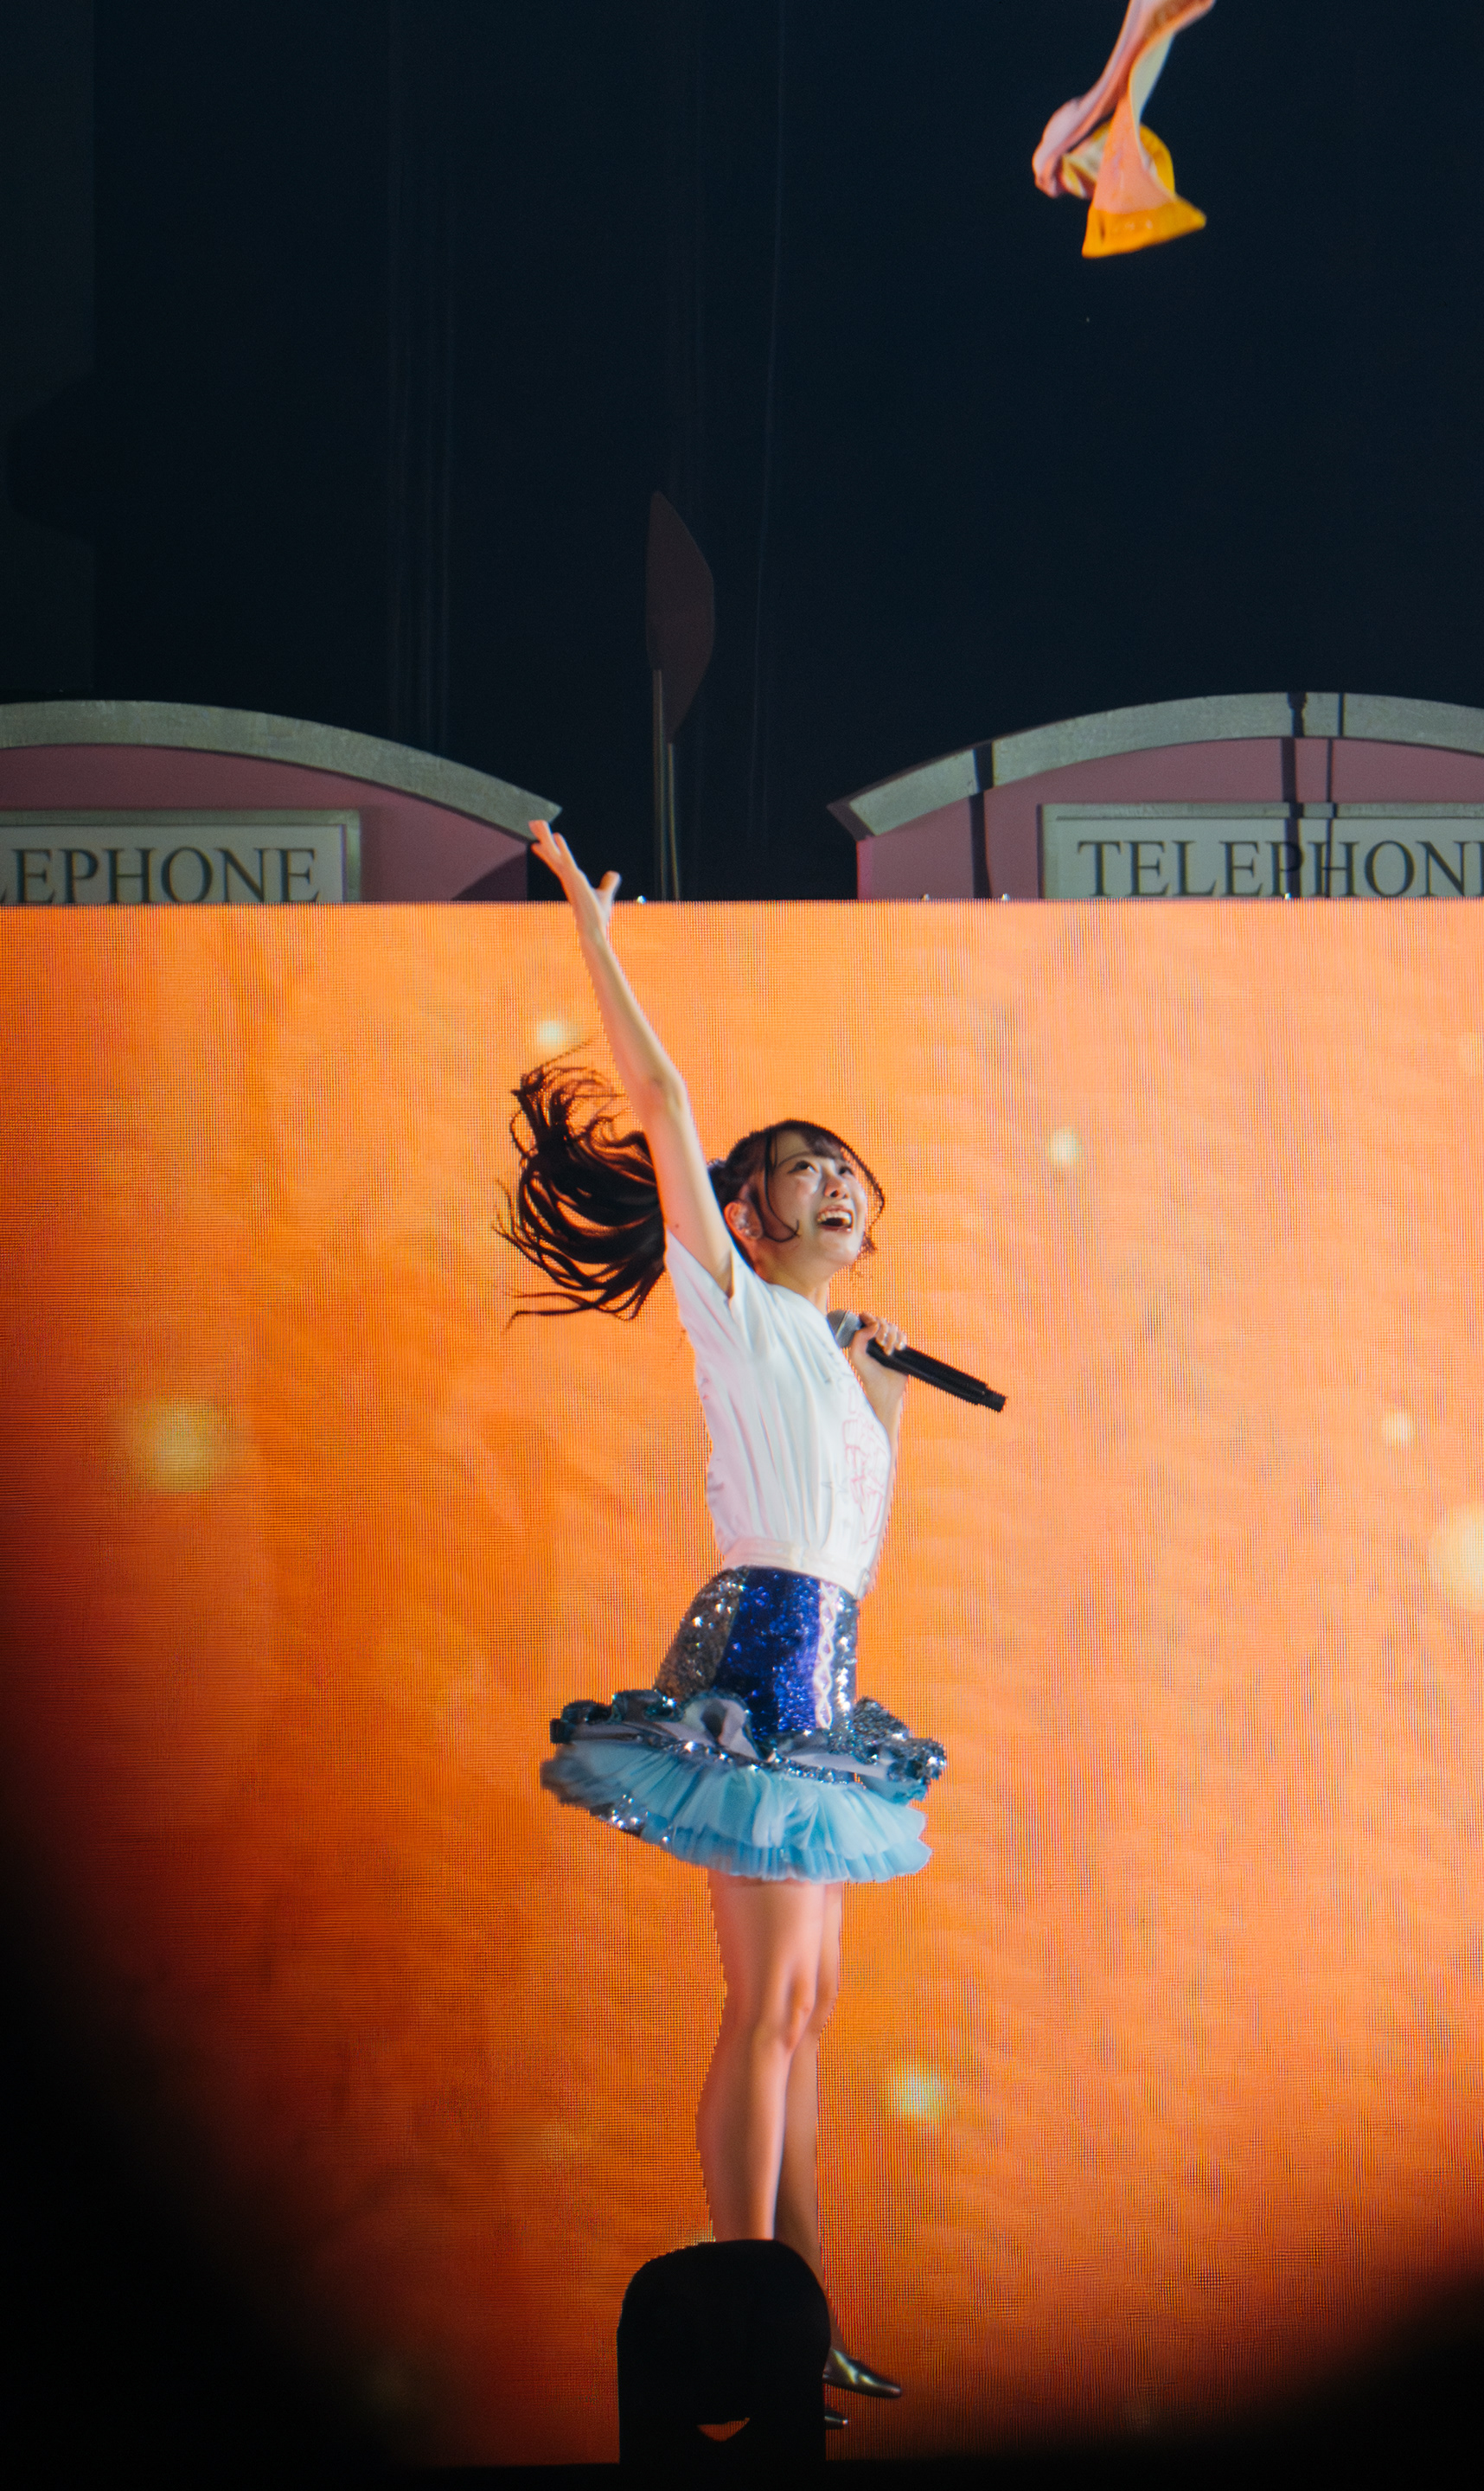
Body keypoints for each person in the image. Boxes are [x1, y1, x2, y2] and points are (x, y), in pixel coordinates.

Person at [502, 824, 946, 2420]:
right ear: (743, 1218)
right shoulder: (739, 1311)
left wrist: (883, 1392)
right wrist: (593, 933)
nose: (836, 1180)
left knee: (807, 2013)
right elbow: (668, 1100)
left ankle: (805, 2322)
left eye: (849, 1168)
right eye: (802, 1167)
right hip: (753, 1673)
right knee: (763, 2010)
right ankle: (752, 2333)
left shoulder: (838, 1359)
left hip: (829, 1684)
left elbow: (859, 1543)